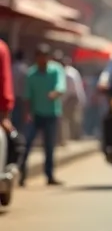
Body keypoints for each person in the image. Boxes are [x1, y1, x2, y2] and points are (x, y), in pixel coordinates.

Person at [19, 43, 66, 187]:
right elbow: (27, 96)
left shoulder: (56, 70)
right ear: (36, 58)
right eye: (40, 56)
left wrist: (55, 93)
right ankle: (22, 175)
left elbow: (61, 86)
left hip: (51, 114)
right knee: (26, 145)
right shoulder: (31, 74)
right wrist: (27, 114)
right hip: (35, 114)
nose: (42, 60)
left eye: (45, 57)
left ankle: (50, 175)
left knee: (49, 146)